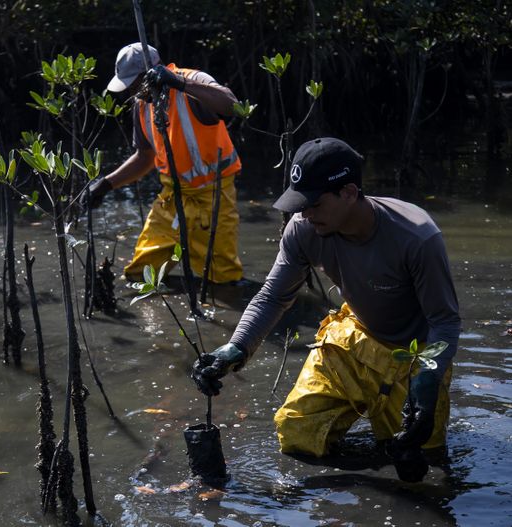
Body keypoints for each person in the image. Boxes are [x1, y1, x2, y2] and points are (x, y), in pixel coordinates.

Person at [192, 137, 461, 482]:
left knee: (422, 458)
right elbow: (273, 296)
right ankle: (369, 472)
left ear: (349, 192)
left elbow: (444, 322)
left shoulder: (417, 238)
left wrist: (428, 377)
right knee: (297, 436)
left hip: (413, 356)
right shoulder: (304, 230)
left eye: (314, 204)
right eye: (300, 203)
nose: (304, 214)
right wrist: (235, 348)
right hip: (354, 336)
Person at [89, 43, 244, 283]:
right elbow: (144, 158)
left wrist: (179, 84)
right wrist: (106, 184)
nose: (131, 91)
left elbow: (232, 105)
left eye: (134, 82)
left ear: (152, 71)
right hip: (172, 197)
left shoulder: (191, 81)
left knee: (221, 278)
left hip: (214, 197)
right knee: (141, 274)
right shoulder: (142, 104)